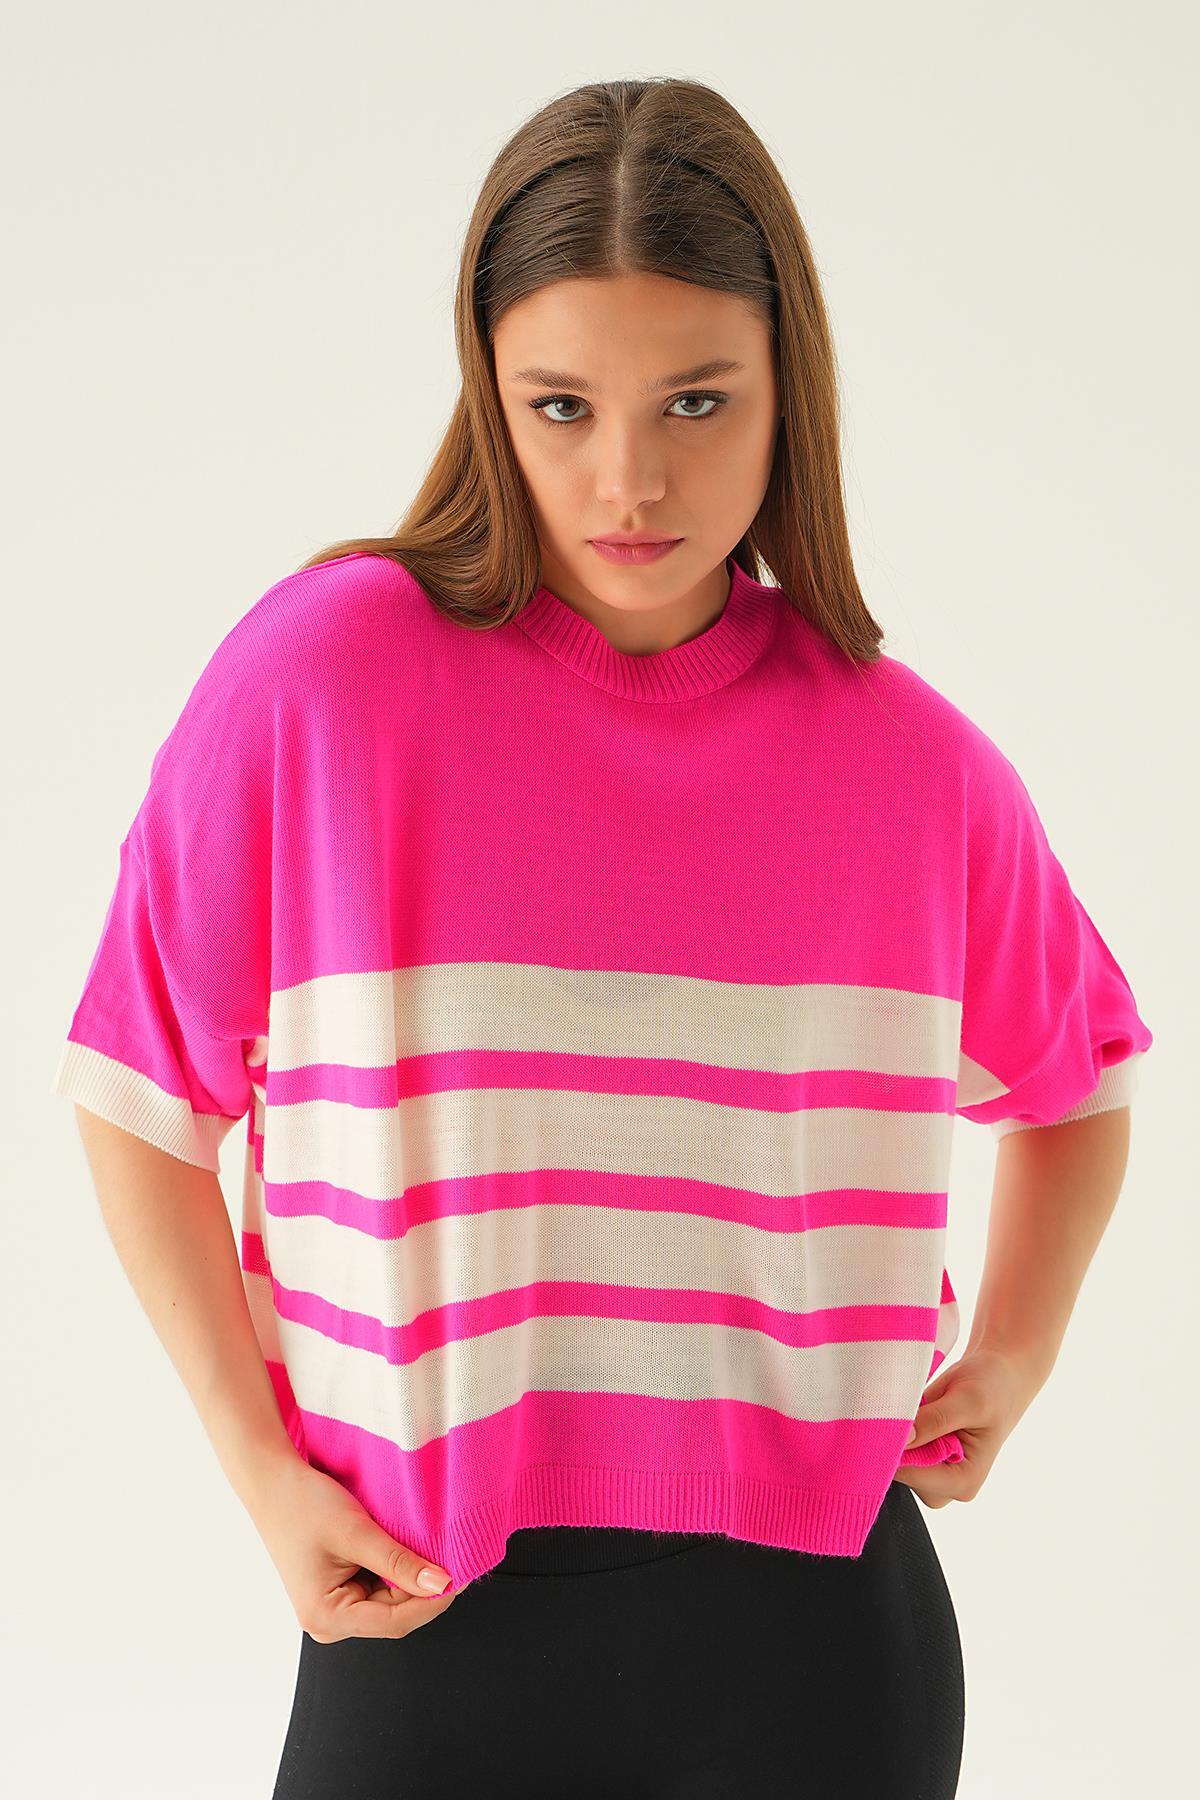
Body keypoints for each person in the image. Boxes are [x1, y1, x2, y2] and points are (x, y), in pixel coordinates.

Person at [52, 77, 1152, 1800]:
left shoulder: (907, 762)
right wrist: (259, 1470)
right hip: (421, 1620)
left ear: (792, 389)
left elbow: (1079, 1078)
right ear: (489, 392)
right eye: (560, 406)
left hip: (818, 1651)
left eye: (697, 401)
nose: (628, 480)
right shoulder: (321, 690)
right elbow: (136, 1092)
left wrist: (1014, 1349)